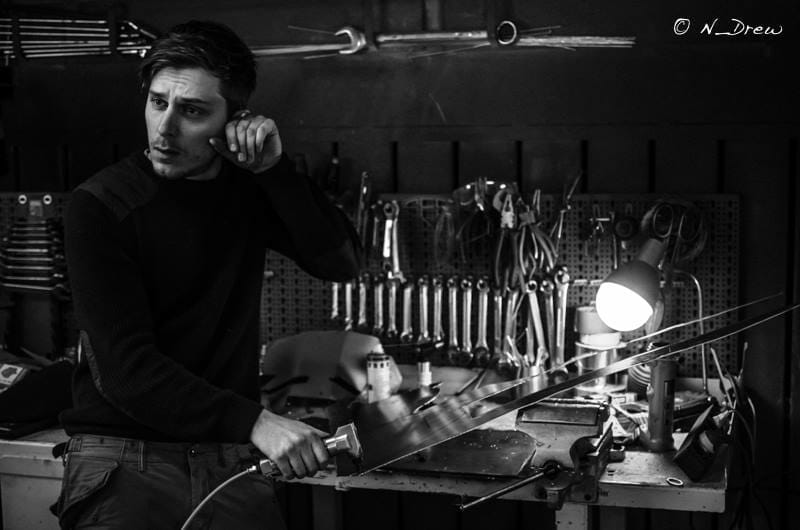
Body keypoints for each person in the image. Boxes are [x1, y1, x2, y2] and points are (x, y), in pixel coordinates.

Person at [56, 20, 360, 529]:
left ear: (233, 119)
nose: (165, 129)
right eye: (158, 103)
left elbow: (341, 263)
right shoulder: (100, 206)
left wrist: (275, 173)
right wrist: (258, 422)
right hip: (125, 464)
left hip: (229, 462)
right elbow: (126, 369)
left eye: (192, 111)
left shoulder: (246, 190)